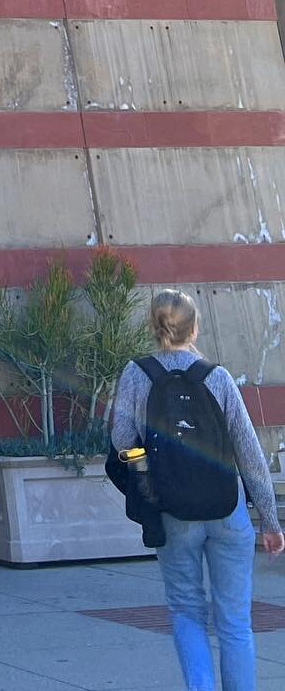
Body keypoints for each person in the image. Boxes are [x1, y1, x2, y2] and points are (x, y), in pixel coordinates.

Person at [111, 288, 284, 691]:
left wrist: (154, 461)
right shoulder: (217, 378)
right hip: (227, 512)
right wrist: (271, 520)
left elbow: (122, 440)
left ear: (153, 327)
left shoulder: (137, 374)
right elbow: (250, 455)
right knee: (235, 621)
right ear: (195, 328)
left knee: (187, 611)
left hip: (173, 511)